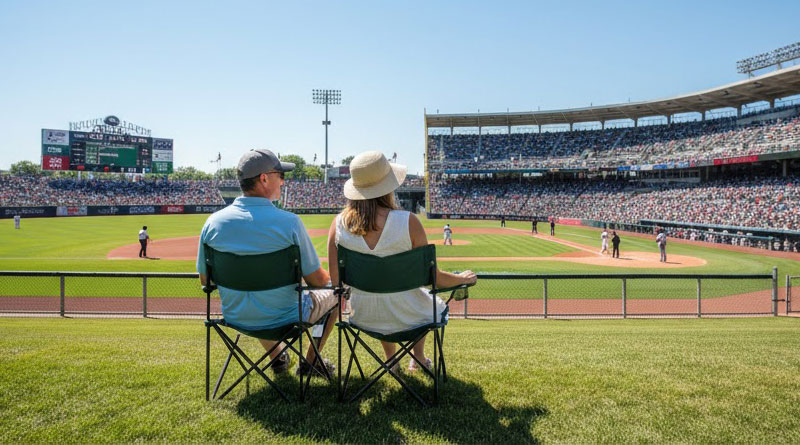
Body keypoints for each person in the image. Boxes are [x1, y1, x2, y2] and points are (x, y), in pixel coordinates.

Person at [327, 151, 477, 372]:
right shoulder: (408, 221)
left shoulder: (337, 225)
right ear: (388, 187)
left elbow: (336, 281)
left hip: (363, 316)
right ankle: (418, 358)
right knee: (422, 300)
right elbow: (431, 278)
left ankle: (391, 361)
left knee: (383, 296)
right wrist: (461, 279)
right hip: (409, 315)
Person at [196, 149, 338, 377]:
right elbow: (317, 280)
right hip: (287, 316)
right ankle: (311, 363)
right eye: (280, 175)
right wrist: (335, 282)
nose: (283, 181)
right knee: (338, 294)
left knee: (254, 292)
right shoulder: (290, 222)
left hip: (236, 316)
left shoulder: (212, 223)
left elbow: (205, 280)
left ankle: (278, 357)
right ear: (264, 178)